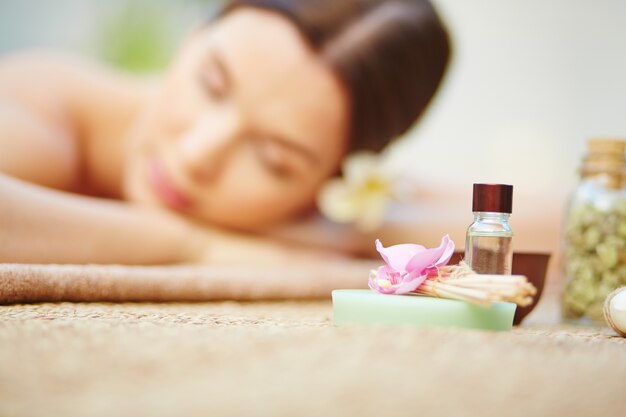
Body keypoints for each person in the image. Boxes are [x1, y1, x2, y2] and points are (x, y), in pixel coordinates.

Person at [0, 0, 450, 265]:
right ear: (194, 37)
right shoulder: (46, 115)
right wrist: (195, 246)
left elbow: (507, 223)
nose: (198, 154)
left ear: (324, 190)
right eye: (211, 84)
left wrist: (348, 234)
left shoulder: (328, 208)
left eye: (273, 160)